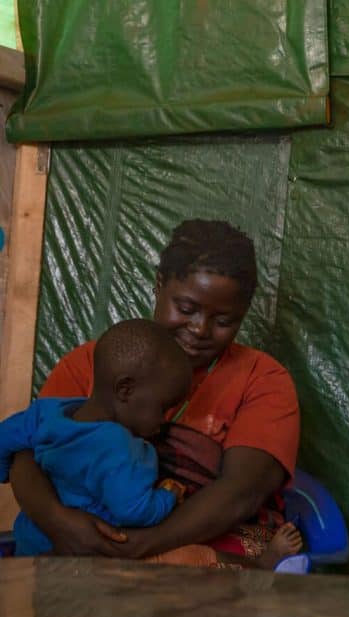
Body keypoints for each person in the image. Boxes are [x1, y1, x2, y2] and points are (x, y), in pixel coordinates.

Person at [8, 219, 302, 568]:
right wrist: (61, 522)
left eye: (224, 321)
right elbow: (27, 454)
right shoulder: (94, 363)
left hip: (199, 551)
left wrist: (140, 546)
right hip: (79, 541)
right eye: (187, 308)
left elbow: (242, 492)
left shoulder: (263, 379)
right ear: (159, 285)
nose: (199, 329)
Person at [0, 319, 191, 555]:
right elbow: (135, 511)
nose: (163, 421)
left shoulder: (50, 411)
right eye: (163, 408)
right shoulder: (118, 447)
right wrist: (168, 494)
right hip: (78, 557)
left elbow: (5, 437)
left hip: (29, 543)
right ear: (125, 390)